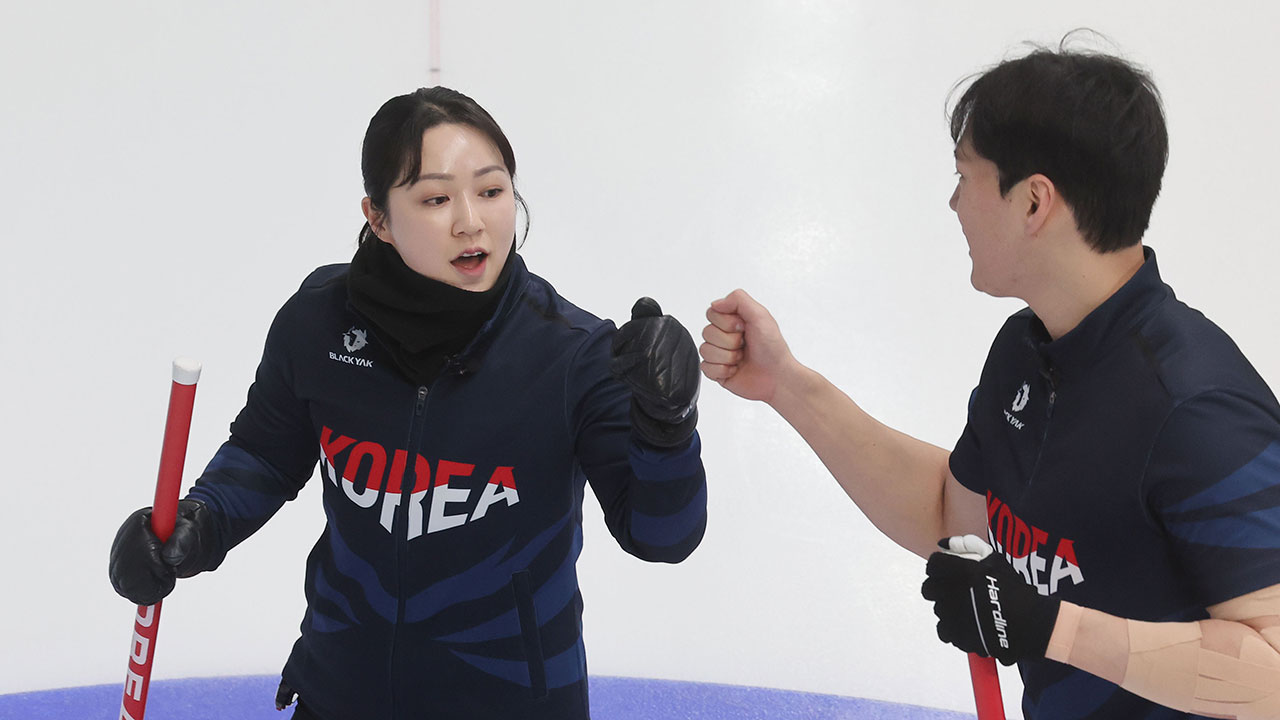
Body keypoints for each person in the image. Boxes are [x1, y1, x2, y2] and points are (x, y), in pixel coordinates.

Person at [699, 44, 1280, 719]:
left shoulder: (1196, 407)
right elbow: (951, 514)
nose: (953, 203)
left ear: (1033, 202)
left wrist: (1052, 627)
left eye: (964, 176)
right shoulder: (1028, 353)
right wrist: (786, 385)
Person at [109, 86, 708, 720]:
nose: (471, 221)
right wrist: (200, 520)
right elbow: (264, 453)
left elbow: (662, 536)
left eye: (492, 190)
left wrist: (666, 426)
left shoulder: (572, 353)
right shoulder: (320, 322)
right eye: (435, 199)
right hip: (339, 696)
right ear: (378, 218)